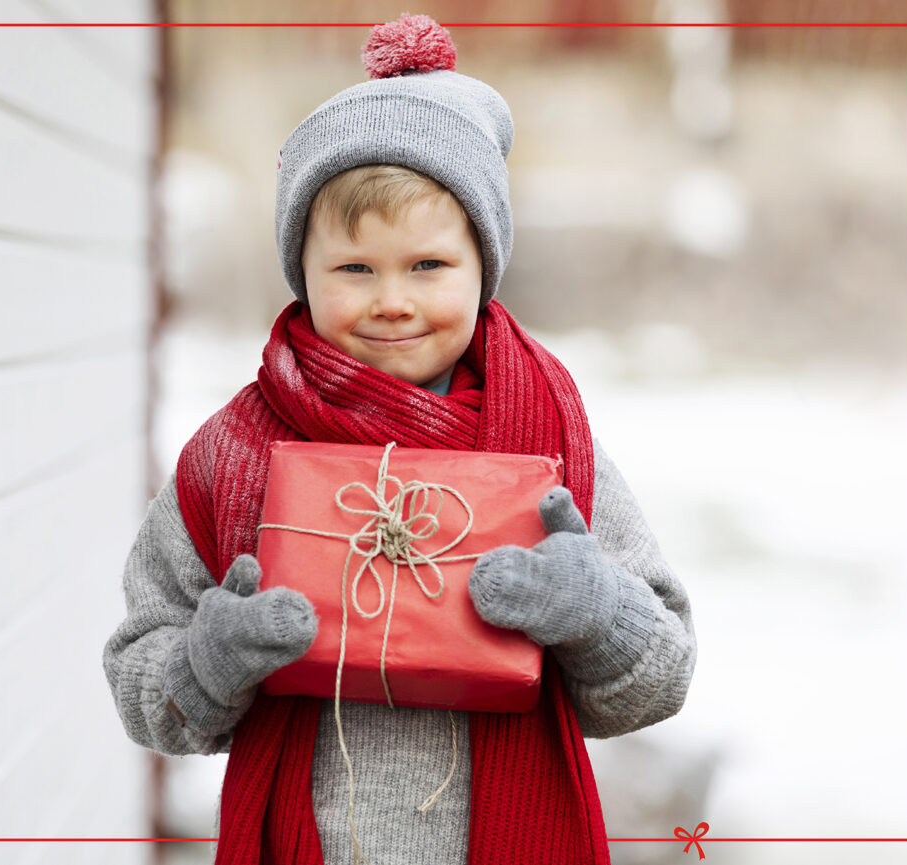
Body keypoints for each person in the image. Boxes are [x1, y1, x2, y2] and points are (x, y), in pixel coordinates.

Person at [103, 13, 695, 865]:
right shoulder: (236, 457)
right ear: (300, 271)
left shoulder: (550, 450)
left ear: (482, 264)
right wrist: (208, 659)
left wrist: (596, 611)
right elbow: (142, 682)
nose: (392, 300)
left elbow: (658, 679)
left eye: (427, 266)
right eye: (354, 269)